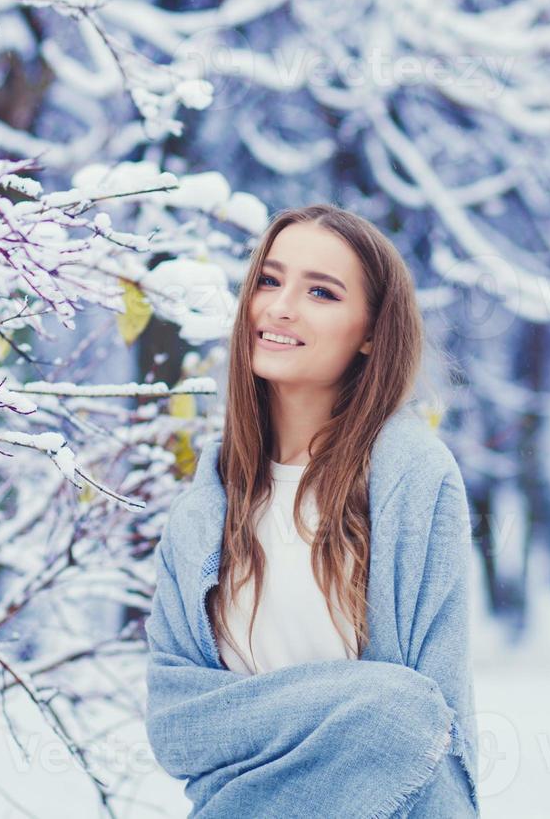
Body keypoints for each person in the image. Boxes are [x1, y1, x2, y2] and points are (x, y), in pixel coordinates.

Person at [144, 204, 480, 817]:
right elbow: (177, 725)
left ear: (373, 332)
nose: (280, 307)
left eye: (321, 292)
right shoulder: (202, 514)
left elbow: (428, 725)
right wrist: (363, 708)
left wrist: (367, 716)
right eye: (269, 281)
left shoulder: (412, 484)